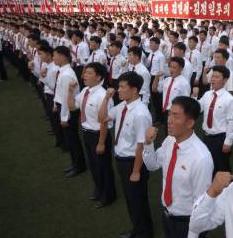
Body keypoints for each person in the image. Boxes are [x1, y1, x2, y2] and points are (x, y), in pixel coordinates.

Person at [143, 97, 214, 238]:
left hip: (186, 222)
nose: (168, 120)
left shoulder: (201, 158)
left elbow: (202, 204)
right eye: (169, 114)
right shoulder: (170, 140)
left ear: (190, 123)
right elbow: (153, 165)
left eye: (175, 116)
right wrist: (148, 143)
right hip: (167, 214)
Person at [98, 72, 154, 238]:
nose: (118, 90)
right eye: (118, 86)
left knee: (137, 200)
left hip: (132, 162)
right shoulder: (123, 106)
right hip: (122, 160)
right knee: (132, 199)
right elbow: (102, 118)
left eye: (122, 87)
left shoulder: (140, 113)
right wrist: (106, 99)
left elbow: (141, 145)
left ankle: (143, 233)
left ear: (135, 90)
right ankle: (139, 229)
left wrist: (136, 171)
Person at [67, 62, 116, 208]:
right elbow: (72, 107)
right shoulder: (85, 91)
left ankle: (109, 196)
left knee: (104, 167)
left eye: (89, 73)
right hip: (87, 134)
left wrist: (101, 142)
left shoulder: (103, 96)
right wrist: (70, 92)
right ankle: (99, 189)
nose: (84, 76)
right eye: (84, 72)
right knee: (93, 165)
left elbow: (104, 122)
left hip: (98, 135)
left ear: (98, 77)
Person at [193, 65, 233, 174]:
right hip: (206, 136)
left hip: (220, 138)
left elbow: (231, 122)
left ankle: (226, 188)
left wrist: (228, 142)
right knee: (209, 164)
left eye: (217, 77)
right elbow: (197, 109)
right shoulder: (207, 94)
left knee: (222, 166)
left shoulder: (230, 100)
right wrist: (194, 96)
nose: (212, 79)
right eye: (212, 76)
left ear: (225, 80)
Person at [53, 45, 86, 177]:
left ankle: (79, 165)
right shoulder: (63, 71)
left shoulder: (66, 74)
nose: (54, 57)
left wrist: (64, 117)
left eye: (55, 55)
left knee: (72, 139)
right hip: (65, 107)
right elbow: (61, 93)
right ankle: (75, 163)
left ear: (63, 56)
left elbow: (68, 97)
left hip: (68, 109)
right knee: (70, 138)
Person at [152, 57, 190, 132]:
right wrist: (156, 77)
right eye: (170, 67)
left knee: (174, 133)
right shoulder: (167, 80)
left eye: (174, 67)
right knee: (167, 132)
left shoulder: (184, 83)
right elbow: (154, 89)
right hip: (165, 111)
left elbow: (186, 102)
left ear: (181, 69)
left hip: (175, 113)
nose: (171, 70)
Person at [146, 37, 166, 123]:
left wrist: (160, 83)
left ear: (157, 45)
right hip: (150, 76)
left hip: (156, 78)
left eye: (152, 43)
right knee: (153, 98)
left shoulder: (160, 56)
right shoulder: (151, 53)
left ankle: (160, 118)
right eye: (150, 43)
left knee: (157, 99)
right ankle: (157, 116)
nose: (150, 45)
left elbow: (162, 70)